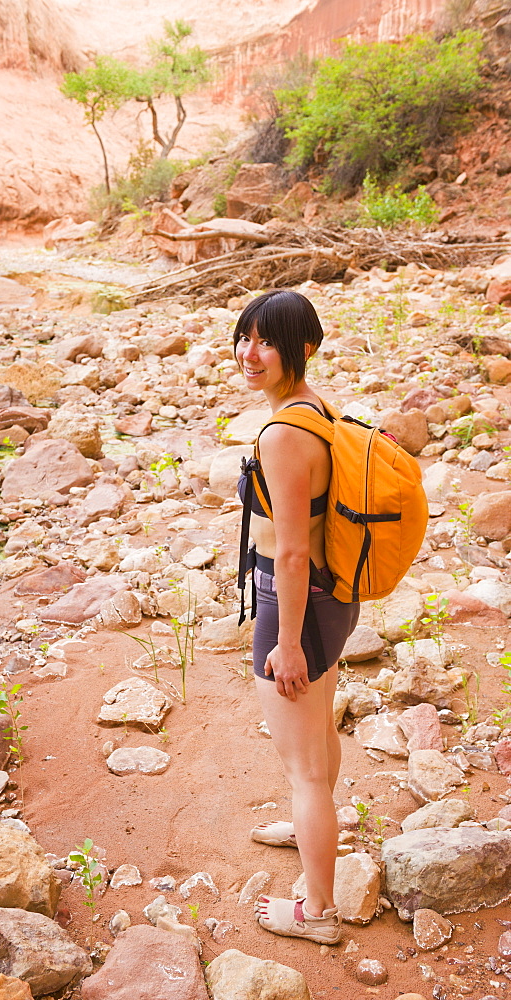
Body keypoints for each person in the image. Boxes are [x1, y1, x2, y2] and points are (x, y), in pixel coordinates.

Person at [234, 290, 359, 946]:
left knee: (304, 770)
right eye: (244, 337)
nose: (249, 353)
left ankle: (318, 914)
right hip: (335, 595)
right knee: (318, 739)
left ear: (302, 349)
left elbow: (285, 549)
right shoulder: (317, 408)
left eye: (266, 341)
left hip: (298, 605)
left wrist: (285, 644)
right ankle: (316, 819)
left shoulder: (283, 433)